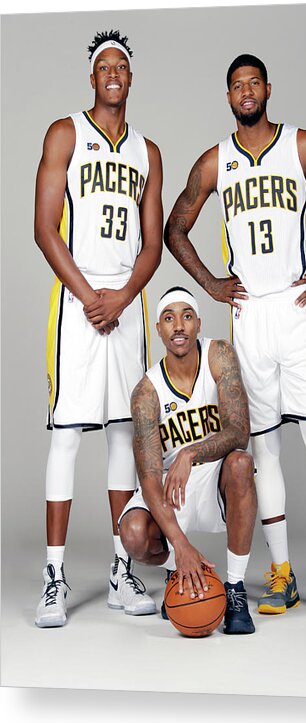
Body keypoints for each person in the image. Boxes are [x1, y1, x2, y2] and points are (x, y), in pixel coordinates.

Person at [164, 54, 306, 621]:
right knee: (263, 450)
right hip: (249, 318)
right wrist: (210, 282)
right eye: (236, 85)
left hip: (297, 307)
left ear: (267, 88)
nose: (245, 91)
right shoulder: (214, 162)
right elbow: (175, 228)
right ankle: (281, 573)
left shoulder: (304, 146)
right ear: (228, 95)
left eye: (253, 82)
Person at [34, 30, 163, 628]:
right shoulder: (65, 132)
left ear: (131, 79)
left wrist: (124, 296)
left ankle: (120, 571)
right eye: (103, 67)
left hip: (127, 305)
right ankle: (54, 576)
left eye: (122, 67)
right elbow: (44, 228)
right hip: (79, 304)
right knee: (65, 434)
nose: (113, 74)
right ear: (92, 78)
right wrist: (91, 297)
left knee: (121, 436)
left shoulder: (148, 151)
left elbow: (154, 243)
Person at [118, 286, 257, 634]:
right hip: (169, 486)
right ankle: (177, 573)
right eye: (169, 318)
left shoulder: (219, 354)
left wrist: (190, 452)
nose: (178, 325)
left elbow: (240, 431)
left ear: (198, 324)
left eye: (186, 316)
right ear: (159, 330)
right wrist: (181, 546)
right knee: (132, 534)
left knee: (241, 463)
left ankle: (235, 589)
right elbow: (149, 478)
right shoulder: (146, 392)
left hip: (213, 477)